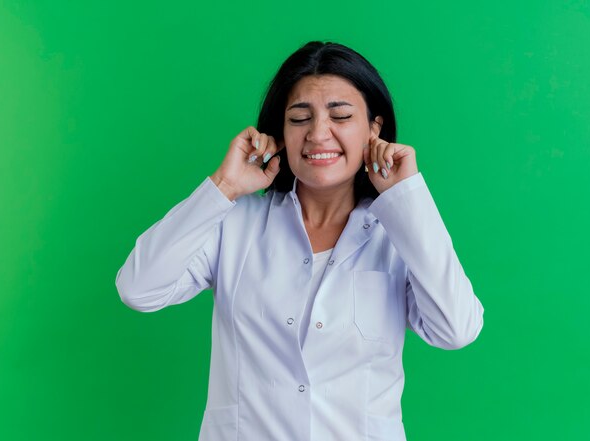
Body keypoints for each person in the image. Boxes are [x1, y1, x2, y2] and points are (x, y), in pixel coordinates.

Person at [115, 40, 484, 441]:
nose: (318, 134)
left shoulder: (399, 236)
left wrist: (408, 196)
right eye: (299, 118)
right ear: (281, 132)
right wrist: (224, 186)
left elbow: (456, 329)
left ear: (374, 129)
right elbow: (139, 288)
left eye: (340, 115)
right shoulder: (236, 224)